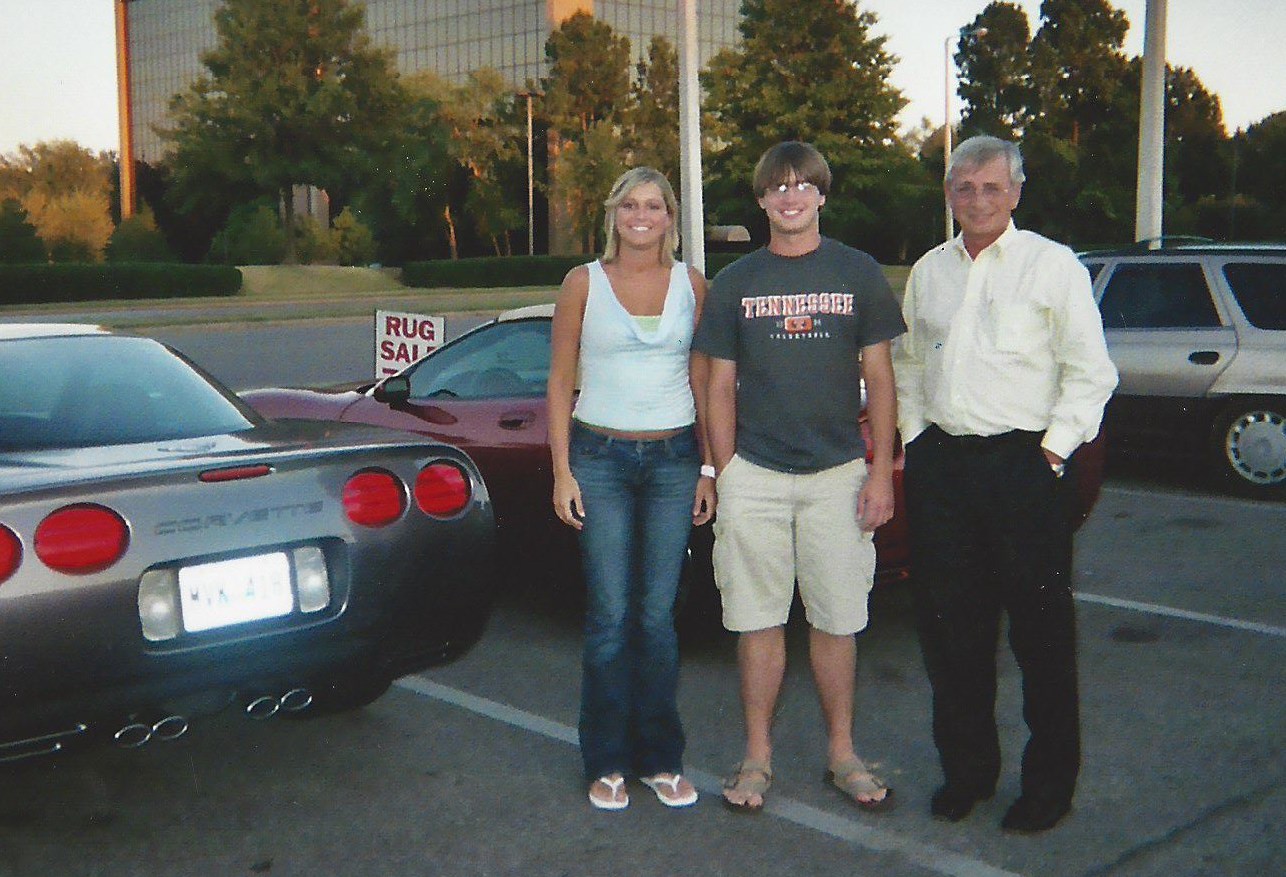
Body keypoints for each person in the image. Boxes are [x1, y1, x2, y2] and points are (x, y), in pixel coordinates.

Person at [893, 135, 1118, 833]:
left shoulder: (1053, 267)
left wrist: (1051, 453)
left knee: (1040, 637)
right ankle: (968, 773)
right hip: (943, 468)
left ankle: (1048, 787)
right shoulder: (930, 271)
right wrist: (916, 440)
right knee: (951, 634)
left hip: (1026, 466)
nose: (978, 200)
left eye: (993, 187)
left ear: (1016, 192)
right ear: (949, 194)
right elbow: (908, 362)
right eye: (965, 188)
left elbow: (1091, 373)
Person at [692, 141, 906, 813]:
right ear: (761, 200)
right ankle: (757, 756)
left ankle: (843, 753)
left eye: (803, 185)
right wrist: (726, 470)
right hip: (754, 474)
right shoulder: (736, 282)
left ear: (822, 195)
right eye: (778, 187)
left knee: (837, 620)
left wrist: (880, 471)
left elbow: (880, 378)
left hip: (838, 474)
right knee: (756, 621)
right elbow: (717, 386)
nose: (791, 197)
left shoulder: (858, 271)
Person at [547, 166, 716, 812]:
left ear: (670, 217)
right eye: (630, 205)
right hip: (600, 461)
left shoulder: (692, 285)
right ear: (613, 214)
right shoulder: (582, 283)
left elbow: (705, 380)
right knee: (610, 616)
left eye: (653, 206)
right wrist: (562, 470)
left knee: (657, 617)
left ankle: (660, 758)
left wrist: (708, 468)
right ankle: (607, 761)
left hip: (674, 461)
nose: (641, 216)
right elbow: (560, 380)